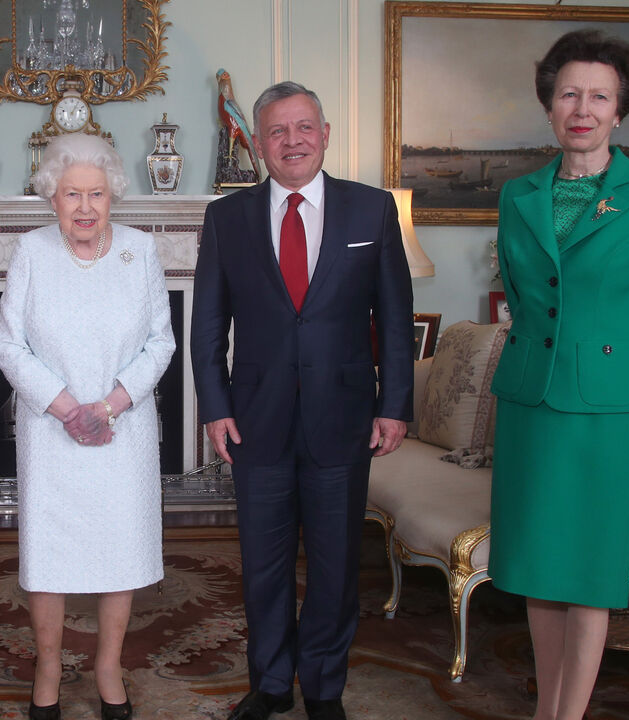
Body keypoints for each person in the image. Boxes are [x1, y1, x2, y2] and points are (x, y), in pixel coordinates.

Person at [488, 29, 629, 720]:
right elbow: (523, 301)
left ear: (619, 109)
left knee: (591, 576)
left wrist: (623, 382)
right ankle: (548, 708)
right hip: (529, 405)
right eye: (569, 92)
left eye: (599, 95)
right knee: (538, 574)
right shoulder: (518, 193)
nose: (583, 107)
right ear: (549, 104)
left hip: (607, 416)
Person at [190, 81, 413, 720]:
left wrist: (394, 402)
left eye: (303, 127)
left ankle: (322, 687)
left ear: (324, 133)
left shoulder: (371, 211)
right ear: (257, 143)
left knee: (336, 564)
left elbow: (396, 318)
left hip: (343, 418)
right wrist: (214, 404)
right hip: (254, 418)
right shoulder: (226, 217)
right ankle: (269, 683)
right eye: (278, 132)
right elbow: (209, 322)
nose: (292, 141)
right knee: (262, 563)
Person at [0, 133, 175, 720]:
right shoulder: (30, 251)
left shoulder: (140, 251)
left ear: (112, 196)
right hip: (52, 431)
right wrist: (67, 406)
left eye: (96, 194)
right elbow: (9, 346)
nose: (84, 207)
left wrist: (111, 404)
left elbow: (160, 342)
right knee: (49, 553)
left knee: (119, 548)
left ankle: (107, 666)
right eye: (71, 193)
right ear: (51, 196)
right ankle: (48, 666)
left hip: (122, 429)